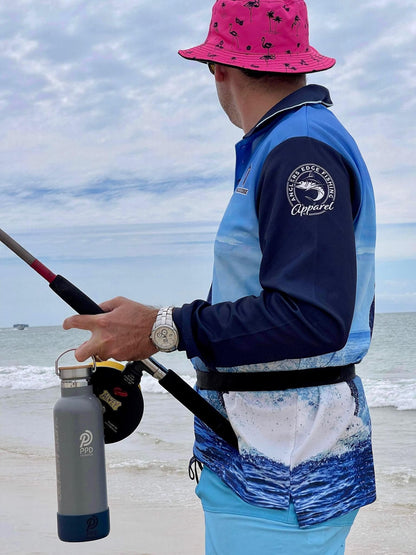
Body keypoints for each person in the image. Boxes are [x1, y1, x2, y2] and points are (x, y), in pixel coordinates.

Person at [64, 1, 377, 553]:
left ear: (219, 68)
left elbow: (314, 318)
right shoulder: (290, 140)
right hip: (268, 460)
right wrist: (161, 324)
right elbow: (285, 302)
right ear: (299, 62)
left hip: (285, 473)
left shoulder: (299, 150)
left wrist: (164, 328)